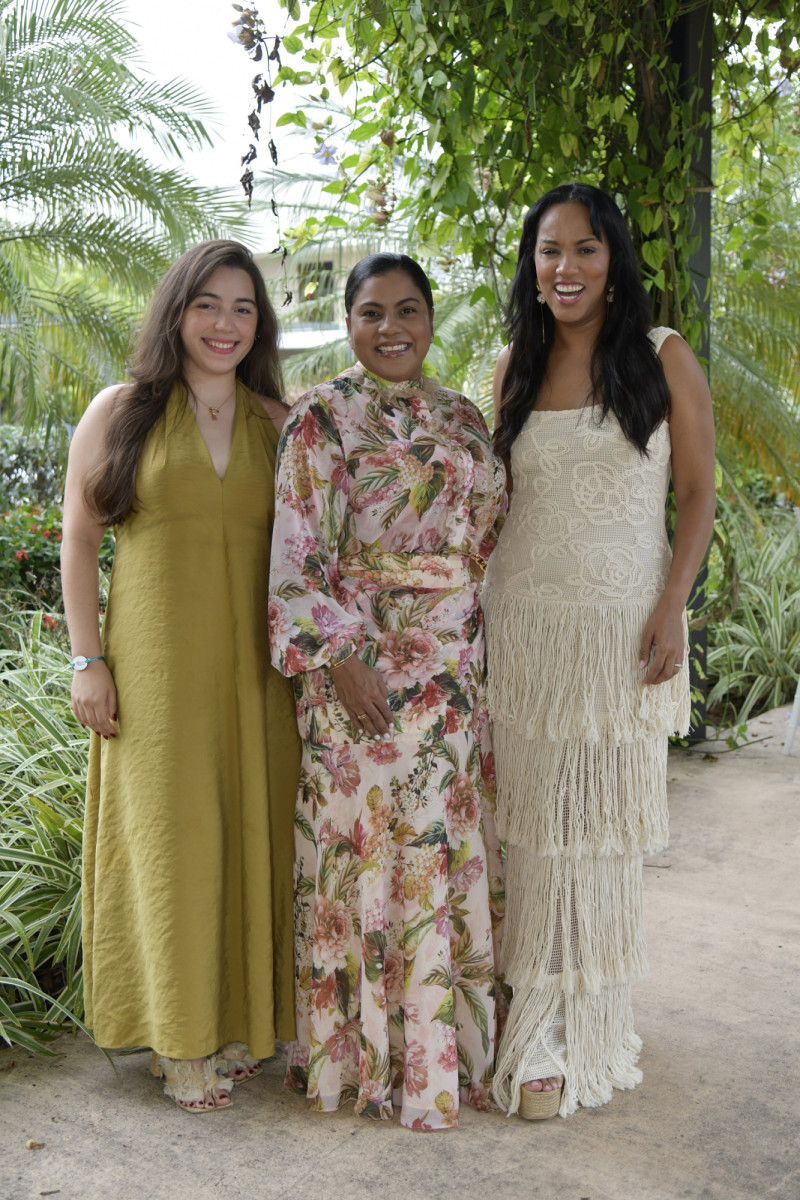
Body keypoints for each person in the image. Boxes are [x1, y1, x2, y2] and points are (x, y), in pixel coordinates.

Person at [483, 184, 715, 1119]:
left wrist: (671, 604)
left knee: (599, 835)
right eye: (548, 252)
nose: (565, 268)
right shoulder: (510, 366)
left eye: (584, 249)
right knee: (532, 832)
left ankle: (590, 1015)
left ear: (613, 258)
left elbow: (695, 494)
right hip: (525, 633)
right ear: (531, 269)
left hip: (622, 631)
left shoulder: (661, 358)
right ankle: (534, 1019)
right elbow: (477, 501)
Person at [268, 252, 507, 1131]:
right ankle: (361, 1066)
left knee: (436, 848)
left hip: (446, 673)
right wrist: (340, 656)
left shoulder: (461, 416)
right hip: (355, 668)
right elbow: (296, 554)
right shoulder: (319, 418)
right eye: (373, 312)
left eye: (409, 309)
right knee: (360, 852)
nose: (392, 327)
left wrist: (445, 629)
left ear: (432, 319)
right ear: (348, 319)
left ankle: (439, 1065)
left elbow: (483, 533)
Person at [61, 240, 301, 1112]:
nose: (225, 324)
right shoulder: (120, 410)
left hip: (257, 676)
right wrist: (89, 660)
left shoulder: (278, 419)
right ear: (177, 311)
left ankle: (235, 1025)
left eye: (243, 308)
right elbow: (80, 542)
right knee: (175, 849)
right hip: (156, 670)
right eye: (207, 304)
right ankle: (178, 1039)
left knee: (248, 835)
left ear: (259, 323)